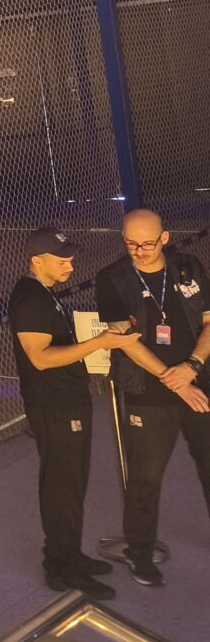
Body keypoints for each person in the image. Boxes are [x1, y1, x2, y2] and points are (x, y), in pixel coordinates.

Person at [9, 227, 138, 599]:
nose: (70, 265)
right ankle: (61, 568)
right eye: (62, 259)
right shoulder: (30, 300)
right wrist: (99, 342)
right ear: (37, 260)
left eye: (70, 258)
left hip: (68, 402)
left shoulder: (45, 292)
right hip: (55, 407)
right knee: (62, 488)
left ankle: (69, 554)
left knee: (72, 484)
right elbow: (40, 358)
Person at [96, 209, 210, 587]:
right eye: (131, 244)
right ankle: (140, 552)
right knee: (145, 478)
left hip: (199, 382)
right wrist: (174, 380)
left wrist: (192, 366)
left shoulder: (188, 267)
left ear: (165, 238)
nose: (140, 251)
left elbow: (209, 322)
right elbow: (125, 341)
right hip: (149, 393)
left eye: (147, 243)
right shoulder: (113, 279)